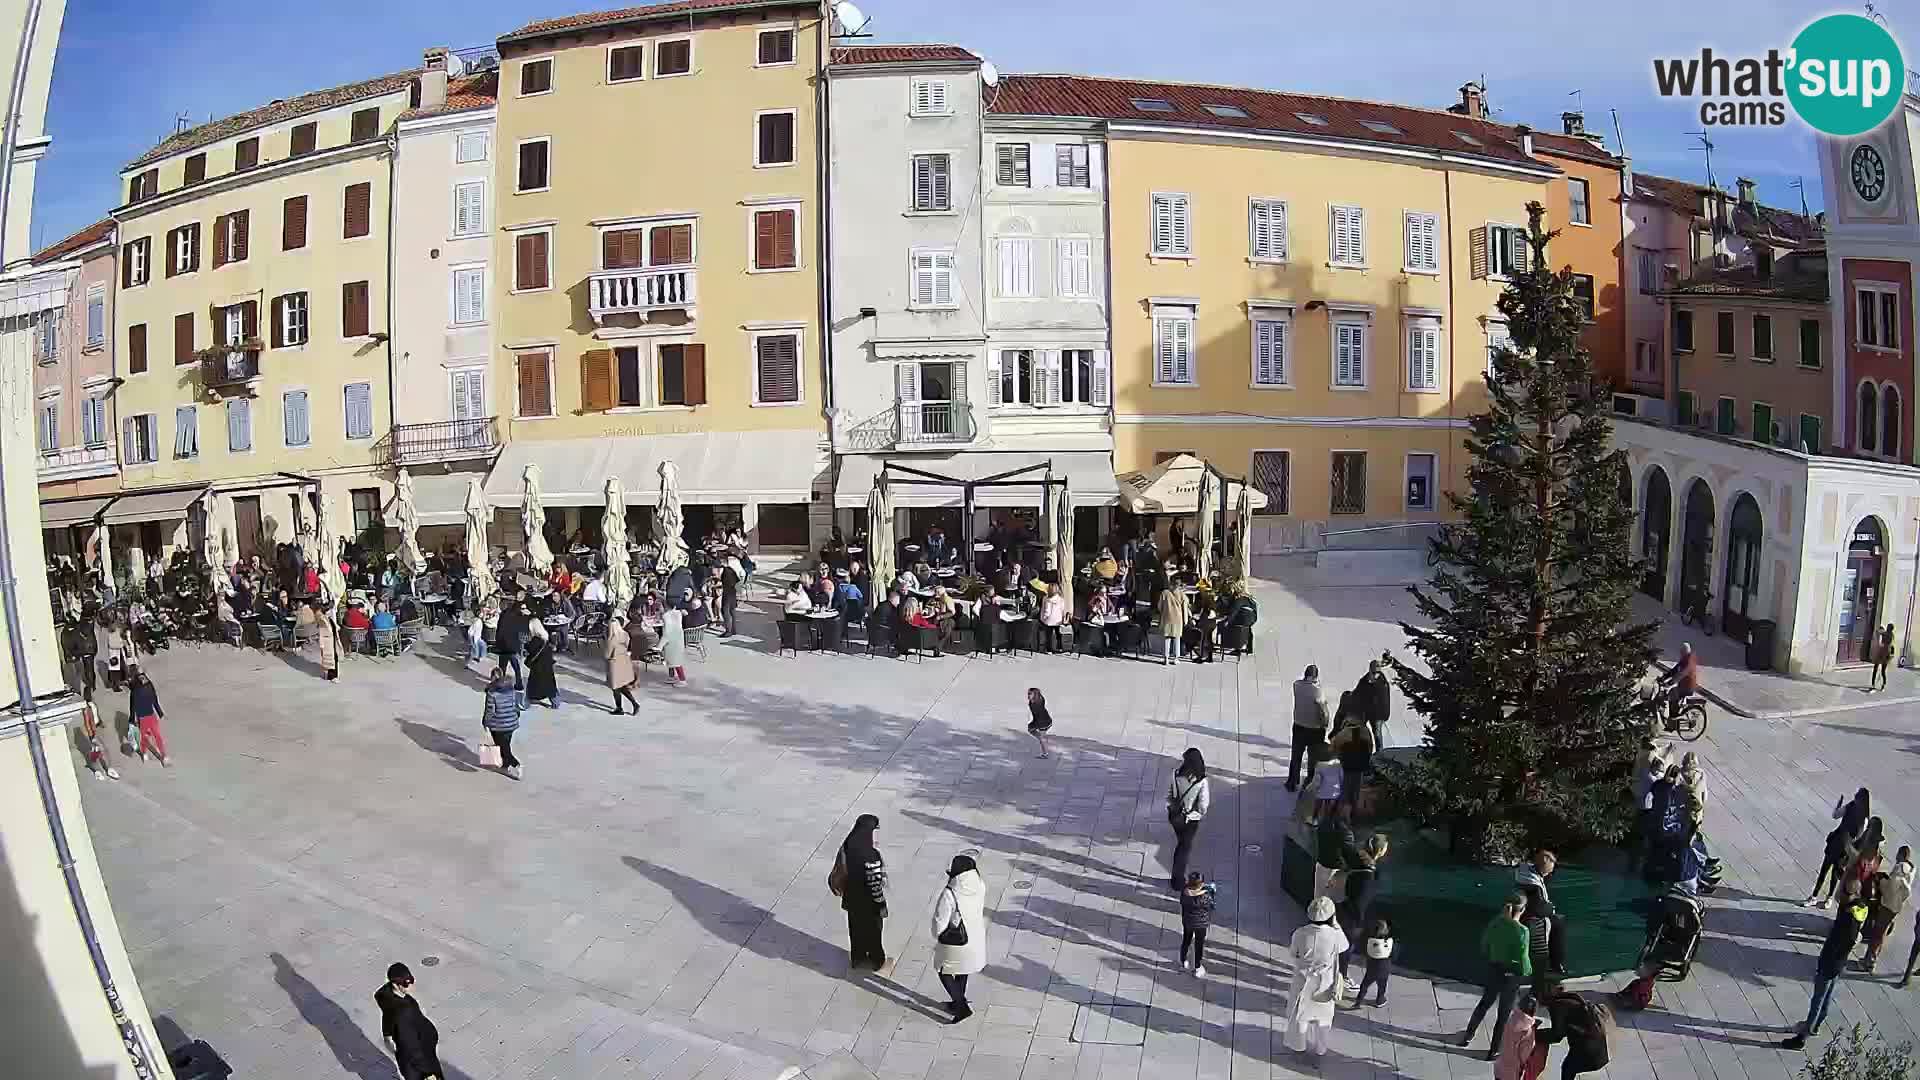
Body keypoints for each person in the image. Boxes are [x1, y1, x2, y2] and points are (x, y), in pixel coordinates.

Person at [1782, 879, 1871, 1050]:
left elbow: (1848, 939)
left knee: (1818, 999)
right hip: (1840, 962)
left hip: (1831, 960)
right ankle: (1815, 1026)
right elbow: (1854, 938)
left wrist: (1831, 954)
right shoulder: (1860, 909)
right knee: (1827, 995)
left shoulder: (1848, 916)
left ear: (1848, 894)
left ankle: (1802, 1037)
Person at [1459, 894, 1533, 1060]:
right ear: (1523, 910)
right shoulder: (1522, 931)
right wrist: (1526, 972)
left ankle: (1468, 1035)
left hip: (1494, 969)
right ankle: (1493, 1050)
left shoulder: (1496, 922)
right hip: (1511, 975)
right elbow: (1523, 959)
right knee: (1503, 1014)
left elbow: (1484, 945)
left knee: (1484, 1003)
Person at [1284, 895, 1348, 1058]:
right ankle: (1321, 1048)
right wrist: (1336, 924)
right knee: (1324, 1019)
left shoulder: (1300, 933)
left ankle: (1299, 1046)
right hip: (1325, 983)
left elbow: (1293, 953)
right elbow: (1345, 946)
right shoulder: (1335, 935)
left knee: (1300, 1017)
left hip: (1303, 982)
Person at [930, 853, 987, 1022]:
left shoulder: (950, 893)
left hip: (956, 940)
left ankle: (961, 1007)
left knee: (944, 971)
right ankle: (957, 1001)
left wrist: (938, 935)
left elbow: (940, 921)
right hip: (974, 935)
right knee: (963, 969)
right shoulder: (980, 885)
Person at [834, 814, 889, 972]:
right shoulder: (871, 855)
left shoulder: (848, 845)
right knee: (874, 931)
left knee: (855, 928)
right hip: (870, 903)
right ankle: (877, 960)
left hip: (851, 899)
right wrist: (881, 904)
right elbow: (874, 884)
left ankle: (857, 959)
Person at [1337, 833, 1389, 994]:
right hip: (1353, 918)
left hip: (1345, 910)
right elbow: (1361, 902)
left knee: (1343, 946)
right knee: (1347, 948)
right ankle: (1341, 977)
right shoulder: (1369, 876)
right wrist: (1360, 922)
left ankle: (1338, 973)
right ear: (1381, 851)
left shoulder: (1359, 864)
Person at [374, 962, 443, 1080]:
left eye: (411, 980)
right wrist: (428, 1072)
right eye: (406, 983)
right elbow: (411, 1048)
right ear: (395, 985)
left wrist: (387, 1035)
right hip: (421, 1064)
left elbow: (387, 1018)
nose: (410, 985)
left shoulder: (392, 998)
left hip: (416, 1057)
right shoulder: (401, 1013)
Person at [1808, 788, 1872, 907]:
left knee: (1835, 873)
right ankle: (1814, 896)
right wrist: (1839, 805)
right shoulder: (1850, 806)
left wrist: (1850, 846)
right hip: (1837, 842)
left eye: (1857, 795)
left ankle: (1829, 898)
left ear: (1862, 800)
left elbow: (1859, 836)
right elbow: (1835, 815)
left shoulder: (1864, 819)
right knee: (1824, 870)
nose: (1854, 797)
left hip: (1845, 847)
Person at [1536, 982, 1610, 1079]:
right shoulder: (1570, 998)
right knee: (1569, 1068)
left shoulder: (1556, 1006)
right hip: (1600, 1051)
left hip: (1590, 1053)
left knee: (1568, 1068)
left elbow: (1557, 1035)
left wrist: (1534, 1034)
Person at [1514, 849, 1569, 977]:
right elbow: (1539, 908)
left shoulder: (1526, 873)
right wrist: (1551, 908)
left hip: (1527, 912)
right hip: (1530, 917)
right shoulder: (1533, 884)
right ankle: (1556, 964)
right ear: (1544, 868)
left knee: (1557, 920)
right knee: (1559, 923)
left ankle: (1554, 963)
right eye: (1549, 870)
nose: (1550, 873)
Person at [1864, 845, 1913, 971]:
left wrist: (1882, 882)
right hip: (1895, 907)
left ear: (1901, 855)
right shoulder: (1909, 871)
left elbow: (1890, 889)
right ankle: (1871, 959)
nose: (1896, 856)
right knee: (1882, 933)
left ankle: (1869, 962)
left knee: (1877, 934)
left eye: (1898, 854)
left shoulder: (1898, 870)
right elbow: (1906, 892)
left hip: (1888, 906)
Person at [1167, 748, 1210, 890]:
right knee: (1183, 849)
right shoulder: (1201, 781)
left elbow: (1170, 795)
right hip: (1190, 821)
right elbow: (1203, 806)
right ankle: (1177, 881)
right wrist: (1192, 815)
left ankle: (1177, 878)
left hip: (1175, 817)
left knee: (1181, 844)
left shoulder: (1175, 774)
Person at [1288, 666, 1331, 792]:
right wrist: (1325, 724)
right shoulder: (1318, 691)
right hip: (1315, 729)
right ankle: (1309, 783)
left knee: (1296, 756)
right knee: (1313, 757)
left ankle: (1292, 782)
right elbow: (1324, 711)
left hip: (1299, 726)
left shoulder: (1296, 685)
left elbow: (1299, 683)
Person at [481, 667, 524, 780]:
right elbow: (515, 706)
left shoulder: (492, 692)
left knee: (503, 748)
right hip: (511, 723)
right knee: (505, 745)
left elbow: (490, 710)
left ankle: (515, 764)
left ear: (493, 678)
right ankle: (505, 765)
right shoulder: (511, 689)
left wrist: (485, 722)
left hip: (498, 725)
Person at [1330, 706, 1376, 811]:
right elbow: (1370, 748)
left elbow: (1333, 749)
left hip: (1346, 766)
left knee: (1345, 788)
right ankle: (1354, 810)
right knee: (1356, 788)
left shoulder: (1343, 733)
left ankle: (1343, 812)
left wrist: (1339, 756)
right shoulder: (1365, 731)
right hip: (1360, 766)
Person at [1493, 994, 1543, 1080]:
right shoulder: (1528, 1031)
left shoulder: (1511, 1019)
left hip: (1500, 1066)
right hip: (1512, 1072)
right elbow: (1524, 1056)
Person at [1178, 871, 1217, 977]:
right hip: (1200, 925)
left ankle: (1183, 960)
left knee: (1186, 940)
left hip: (1187, 922)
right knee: (1198, 945)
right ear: (1200, 885)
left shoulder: (1184, 893)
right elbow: (1212, 906)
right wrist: (1212, 892)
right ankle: (1197, 967)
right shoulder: (1205, 897)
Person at [128, 670, 170, 766]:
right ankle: (156, 754)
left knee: (149, 736)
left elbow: (133, 706)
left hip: (145, 716)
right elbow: (154, 699)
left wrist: (132, 718)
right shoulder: (146, 686)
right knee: (151, 736)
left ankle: (151, 754)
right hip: (147, 716)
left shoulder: (137, 689)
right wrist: (159, 712)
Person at [1352, 918, 1394, 1010]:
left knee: (1364, 985)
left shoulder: (1370, 942)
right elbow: (1391, 953)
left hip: (1372, 969)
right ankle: (1380, 1000)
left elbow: (1366, 952)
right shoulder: (1389, 941)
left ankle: (1358, 1001)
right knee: (1382, 986)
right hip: (1385, 969)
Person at [605, 614, 641, 715]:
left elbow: (607, 654)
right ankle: (634, 704)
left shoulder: (611, 640)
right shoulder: (625, 635)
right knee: (622, 686)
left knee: (615, 687)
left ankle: (620, 708)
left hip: (615, 663)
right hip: (624, 661)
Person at [1353, 657, 1392, 748]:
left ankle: (1379, 753)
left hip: (1378, 714)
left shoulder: (1383, 684)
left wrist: (1384, 715)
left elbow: (1385, 701)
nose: (1375, 674)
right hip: (1365, 712)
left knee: (1377, 734)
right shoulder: (1364, 681)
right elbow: (1356, 694)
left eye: (1377, 672)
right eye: (1373, 672)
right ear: (1370, 670)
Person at [77, 698, 120, 780]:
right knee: (98, 750)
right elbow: (88, 725)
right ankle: (99, 769)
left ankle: (102, 769)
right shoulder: (86, 709)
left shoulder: (93, 705)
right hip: (94, 733)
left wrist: (101, 723)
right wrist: (92, 737)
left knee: (100, 750)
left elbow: (96, 715)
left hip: (97, 728)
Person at [1155, 576, 1189, 666]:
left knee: (1167, 638)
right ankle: (1176, 658)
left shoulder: (1164, 593)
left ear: (1171, 583)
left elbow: (1159, 606)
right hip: (1178, 619)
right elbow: (1185, 608)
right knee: (1177, 639)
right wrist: (1185, 620)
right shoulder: (1182, 594)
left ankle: (1166, 658)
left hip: (1167, 618)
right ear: (1179, 584)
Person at [1661, 642, 1700, 718]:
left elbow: (1681, 674)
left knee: (1672, 693)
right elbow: (1675, 669)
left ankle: (1674, 715)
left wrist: (1670, 683)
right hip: (1683, 685)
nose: (1680, 653)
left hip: (1688, 687)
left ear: (1684, 652)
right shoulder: (1685, 659)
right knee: (1672, 694)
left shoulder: (1689, 662)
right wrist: (1664, 677)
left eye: (1681, 652)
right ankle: (1674, 711)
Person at [525, 621, 558, 708]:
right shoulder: (545, 638)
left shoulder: (535, 640)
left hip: (538, 666)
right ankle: (555, 702)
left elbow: (530, 651)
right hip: (547, 664)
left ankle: (527, 701)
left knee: (535, 684)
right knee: (550, 685)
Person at [660, 601, 687, 685]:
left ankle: (682, 680)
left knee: (675, 661)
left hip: (672, 640)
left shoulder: (666, 616)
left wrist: (659, 645)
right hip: (678, 639)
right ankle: (671, 676)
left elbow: (666, 633)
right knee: (671, 660)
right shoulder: (677, 613)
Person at [1039, 585, 1069, 654]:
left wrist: (1044, 617)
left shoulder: (1046, 598)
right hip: (1057, 619)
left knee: (1049, 635)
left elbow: (1047, 610)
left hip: (1049, 620)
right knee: (1058, 633)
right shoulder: (1061, 599)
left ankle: (1049, 649)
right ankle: (1060, 647)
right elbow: (1062, 609)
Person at [313, 600, 339, 681]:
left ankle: (330, 674)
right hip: (327, 641)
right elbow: (322, 631)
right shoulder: (322, 619)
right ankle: (332, 676)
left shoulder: (327, 618)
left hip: (332, 639)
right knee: (330, 659)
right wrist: (322, 644)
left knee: (333, 657)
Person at [1026, 688, 1053, 758]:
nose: (1028, 695)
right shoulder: (1040, 699)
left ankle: (1045, 754)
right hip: (1039, 720)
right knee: (1030, 729)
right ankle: (1042, 739)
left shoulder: (1035, 704)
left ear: (1035, 694)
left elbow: (1038, 714)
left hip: (1043, 722)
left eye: (1030, 694)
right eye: (1028, 693)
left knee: (1041, 738)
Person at [1871, 624, 1896, 691]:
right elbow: (1892, 645)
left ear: (1889, 628)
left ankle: (1873, 684)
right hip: (1887, 653)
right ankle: (1883, 685)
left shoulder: (1886, 634)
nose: (1887, 628)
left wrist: (1879, 629)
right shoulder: (1892, 635)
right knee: (1883, 671)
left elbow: (1878, 632)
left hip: (1882, 652)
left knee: (1876, 668)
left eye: (1888, 627)